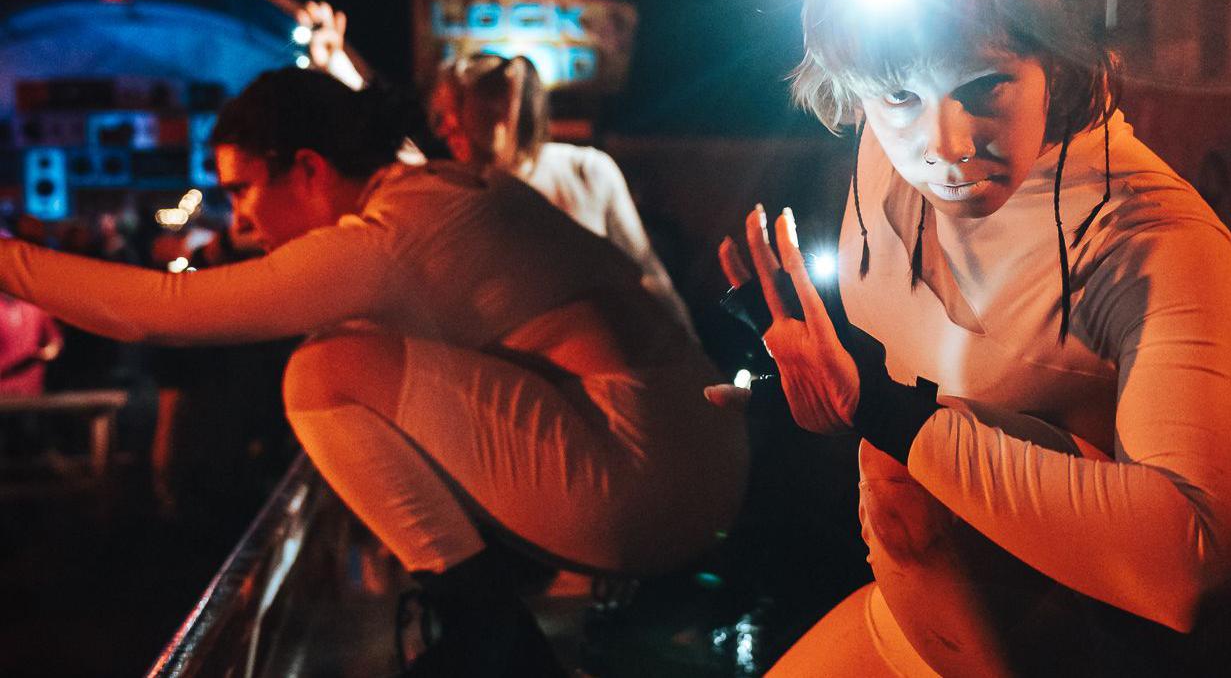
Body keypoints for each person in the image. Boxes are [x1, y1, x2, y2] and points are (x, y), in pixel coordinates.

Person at [707, 0, 1231, 675]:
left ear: (1058, 59)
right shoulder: (885, 37)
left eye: (986, 87)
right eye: (898, 98)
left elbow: (1190, 563)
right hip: (922, 618)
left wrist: (884, 414)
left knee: (904, 478)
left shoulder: (1150, 235)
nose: (944, 144)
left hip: (1099, 651)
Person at [0, 68, 748, 677]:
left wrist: (9, 261)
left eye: (242, 190)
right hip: (701, 464)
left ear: (309, 170)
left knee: (322, 372)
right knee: (347, 348)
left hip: (639, 484)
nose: (239, 224)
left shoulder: (384, 239)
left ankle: (488, 637)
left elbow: (158, 309)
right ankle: (488, 631)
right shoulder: (442, 188)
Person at [298, 2, 694, 329]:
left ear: (502, 111)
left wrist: (692, 356)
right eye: (441, 116)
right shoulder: (456, 187)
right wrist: (336, 65)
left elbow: (647, 275)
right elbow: (393, 145)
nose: (447, 127)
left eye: (457, 112)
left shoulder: (586, 170)